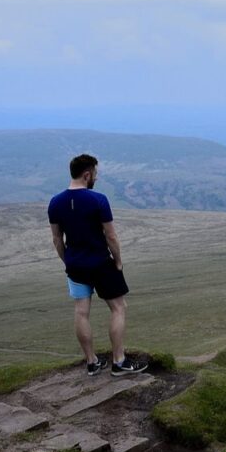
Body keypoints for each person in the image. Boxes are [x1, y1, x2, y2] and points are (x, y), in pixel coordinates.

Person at [48, 154, 147, 377]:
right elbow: (111, 236)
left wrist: (68, 261)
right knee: (119, 308)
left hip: (75, 265)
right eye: (95, 173)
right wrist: (118, 261)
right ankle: (119, 362)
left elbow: (56, 239)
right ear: (87, 174)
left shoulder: (55, 202)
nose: (97, 177)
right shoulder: (98, 200)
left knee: (81, 312)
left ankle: (92, 362)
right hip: (101, 263)